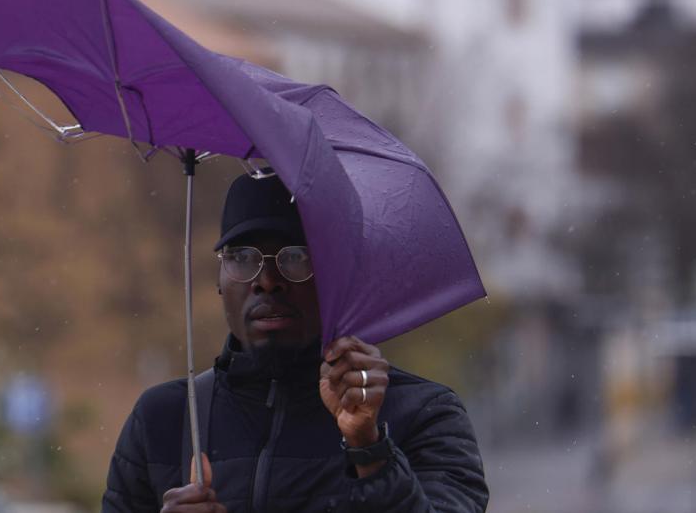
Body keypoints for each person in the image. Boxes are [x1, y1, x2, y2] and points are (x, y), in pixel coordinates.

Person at [102, 174, 489, 512]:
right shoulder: (163, 420)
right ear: (219, 281)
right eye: (241, 256)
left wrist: (370, 450)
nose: (267, 280)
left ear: (339, 278)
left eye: (296, 256)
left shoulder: (423, 415)